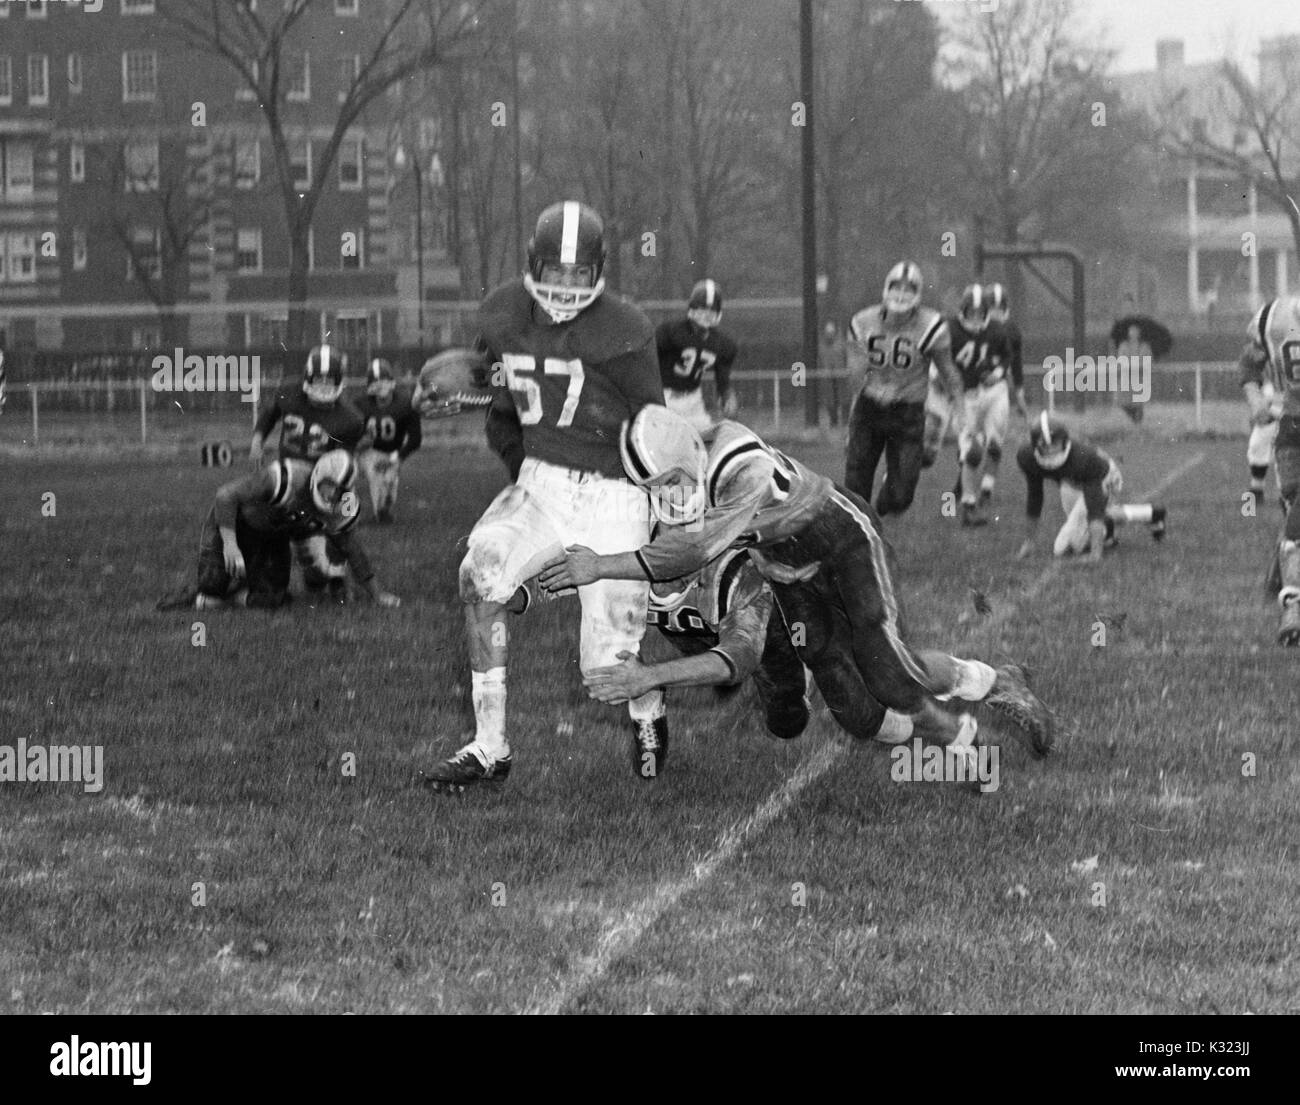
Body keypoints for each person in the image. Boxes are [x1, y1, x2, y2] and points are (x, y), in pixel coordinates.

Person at [539, 407, 1055, 758]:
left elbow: (691, 551)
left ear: (687, 455)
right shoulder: (687, 472)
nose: (667, 496)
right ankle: (965, 717)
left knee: (889, 672)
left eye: (670, 481)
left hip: (841, 541)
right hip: (787, 571)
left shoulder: (741, 464)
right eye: (654, 488)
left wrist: (601, 565)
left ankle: (981, 705)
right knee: (855, 711)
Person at [420, 201, 670, 792]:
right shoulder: (503, 314)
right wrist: (521, 468)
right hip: (542, 482)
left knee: (605, 668)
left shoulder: (627, 330)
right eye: (554, 274)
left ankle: (648, 705)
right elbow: (502, 408)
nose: (564, 287)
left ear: (598, 272)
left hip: (615, 494)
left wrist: (659, 506)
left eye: (577, 275)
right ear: (533, 266)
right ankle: (489, 748)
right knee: (479, 572)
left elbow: (657, 431)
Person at [583, 543, 991, 765]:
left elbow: (737, 658)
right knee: (795, 723)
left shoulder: (734, 578)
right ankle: (950, 731)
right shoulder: (624, 567)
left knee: (876, 684)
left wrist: (652, 676)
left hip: (797, 614)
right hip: (740, 635)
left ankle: (981, 680)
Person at [156, 449, 398, 611]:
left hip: (272, 538)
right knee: (211, 585)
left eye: (340, 491)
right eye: (330, 487)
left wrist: (378, 595)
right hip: (236, 525)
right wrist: (230, 545)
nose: (332, 495)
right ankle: (201, 593)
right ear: (319, 476)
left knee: (271, 601)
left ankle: (225, 595)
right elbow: (225, 496)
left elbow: (351, 548)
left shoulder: (339, 508)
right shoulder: (285, 478)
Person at [845, 261, 965, 517]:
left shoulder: (931, 326)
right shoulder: (862, 322)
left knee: (900, 497)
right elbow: (855, 373)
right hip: (869, 409)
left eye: (908, 289)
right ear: (886, 289)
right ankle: (860, 535)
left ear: (918, 295)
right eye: (896, 288)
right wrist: (869, 392)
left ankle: (882, 505)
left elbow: (949, 373)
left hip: (907, 414)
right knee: (855, 488)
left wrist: (962, 411)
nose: (901, 295)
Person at [250, 344, 368, 601]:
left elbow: (343, 461)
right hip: (292, 477)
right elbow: (270, 413)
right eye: (318, 382)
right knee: (304, 549)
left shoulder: (350, 419)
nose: (323, 390)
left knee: (342, 526)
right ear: (306, 379)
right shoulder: (288, 392)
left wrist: (333, 490)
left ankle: (338, 578)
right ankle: (314, 575)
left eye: (329, 383)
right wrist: (258, 440)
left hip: (325, 481)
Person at [1014, 413, 1166, 562]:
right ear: (1035, 445)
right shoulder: (1027, 457)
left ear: (1065, 441)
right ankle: (1151, 514)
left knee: (1065, 547)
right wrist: (1029, 542)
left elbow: (1094, 507)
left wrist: (1095, 554)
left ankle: (1107, 533)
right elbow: (1035, 496)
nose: (1052, 450)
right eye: (1046, 446)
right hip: (1071, 483)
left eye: (1055, 443)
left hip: (1106, 478)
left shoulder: (1083, 460)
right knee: (1081, 530)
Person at [1240, 296, 1300, 644]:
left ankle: (1288, 597)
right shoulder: (1272, 317)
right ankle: (1290, 595)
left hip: (1290, 427)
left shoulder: (1273, 316)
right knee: (1294, 508)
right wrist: (1255, 398)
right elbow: (1249, 366)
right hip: (1292, 426)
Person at [656, 278, 739, 432]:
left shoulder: (722, 344)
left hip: (693, 401)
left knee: (704, 444)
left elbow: (722, 380)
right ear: (693, 308)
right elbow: (649, 362)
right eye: (702, 309)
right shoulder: (671, 332)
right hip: (665, 398)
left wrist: (727, 395)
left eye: (711, 310)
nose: (707, 314)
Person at [355, 358, 422, 523]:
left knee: (389, 486)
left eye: (383, 380)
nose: (380, 386)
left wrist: (397, 458)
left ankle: (383, 512)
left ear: (391, 381)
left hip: (392, 452)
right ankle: (347, 514)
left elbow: (415, 438)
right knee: (370, 473)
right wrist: (357, 443)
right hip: (366, 452)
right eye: (376, 381)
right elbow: (348, 431)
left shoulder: (406, 404)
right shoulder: (359, 405)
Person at [1246, 378, 1281, 507]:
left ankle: (1257, 491)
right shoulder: (1265, 385)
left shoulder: (1272, 386)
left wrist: (1271, 414)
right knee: (1255, 451)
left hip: (1274, 423)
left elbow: (1274, 404)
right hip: (1266, 425)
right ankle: (1257, 490)